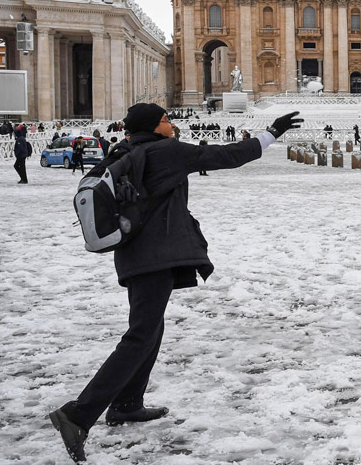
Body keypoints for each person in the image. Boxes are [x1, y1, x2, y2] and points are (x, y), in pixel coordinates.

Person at [49, 104, 303, 463]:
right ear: (155, 126)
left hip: (135, 254)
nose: (171, 124)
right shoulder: (164, 151)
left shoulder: (124, 151)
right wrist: (272, 132)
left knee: (149, 330)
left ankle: (126, 404)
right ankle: (77, 414)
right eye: (167, 119)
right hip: (154, 256)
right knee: (139, 337)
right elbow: (227, 155)